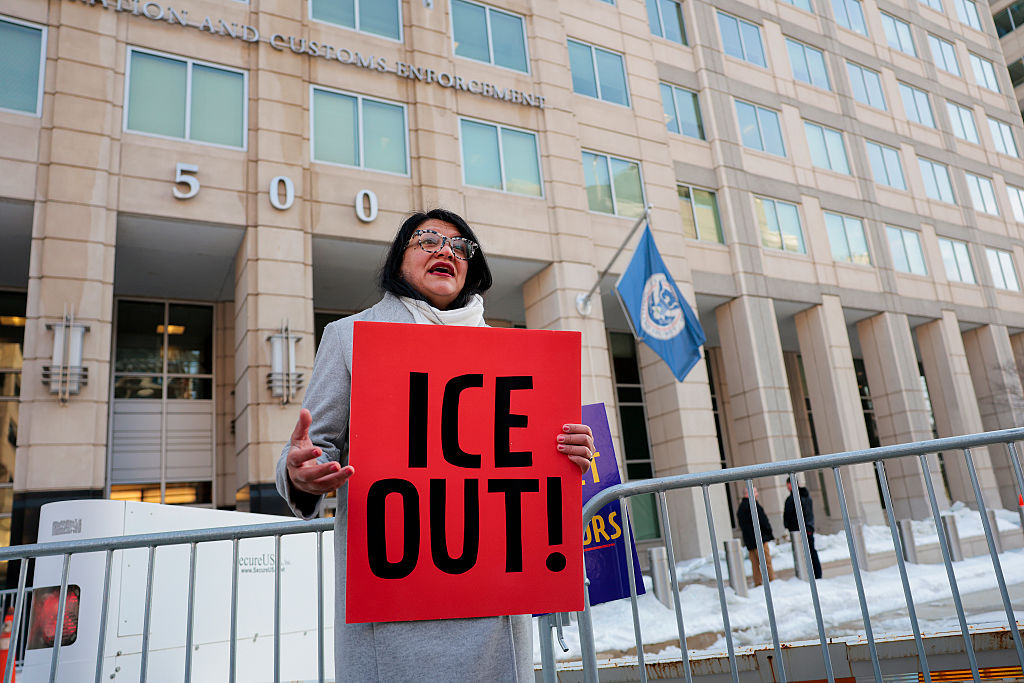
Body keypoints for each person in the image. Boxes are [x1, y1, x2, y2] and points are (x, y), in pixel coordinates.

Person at [275, 209, 596, 682]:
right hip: (392, 617)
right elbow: (314, 445)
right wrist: (302, 474)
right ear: (397, 260)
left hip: (494, 614)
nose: (445, 250)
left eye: (459, 245)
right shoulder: (348, 338)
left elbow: (527, 466)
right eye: (426, 240)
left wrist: (569, 452)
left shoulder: (513, 355)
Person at [784, 476, 822, 579]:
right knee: (811, 551)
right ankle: (816, 574)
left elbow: (789, 516)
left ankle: (810, 574)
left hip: (799, 530)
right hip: (808, 527)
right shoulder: (806, 496)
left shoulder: (793, 499)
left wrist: (788, 525)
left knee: (804, 553)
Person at [736, 486, 775, 586]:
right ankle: (772, 582)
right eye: (755, 492)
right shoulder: (753, 505)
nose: (757, 494)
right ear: (748, 493)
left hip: (750, 542)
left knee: (755, 565)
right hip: (760, 539)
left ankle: (758, 583)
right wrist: (769, 532)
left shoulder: (741, 508)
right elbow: (762, 521)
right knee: (767, 563)